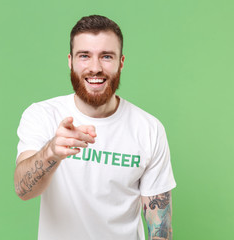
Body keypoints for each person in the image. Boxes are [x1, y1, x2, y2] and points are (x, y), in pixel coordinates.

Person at [14, 15, 176, 240]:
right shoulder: (42, 115)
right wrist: (51, 152)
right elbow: (23, 190)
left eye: (107, 56)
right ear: (70, 61)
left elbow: (160, 228)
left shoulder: (149, 129)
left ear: (121, 62)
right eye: (84, 56)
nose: (95, 67)